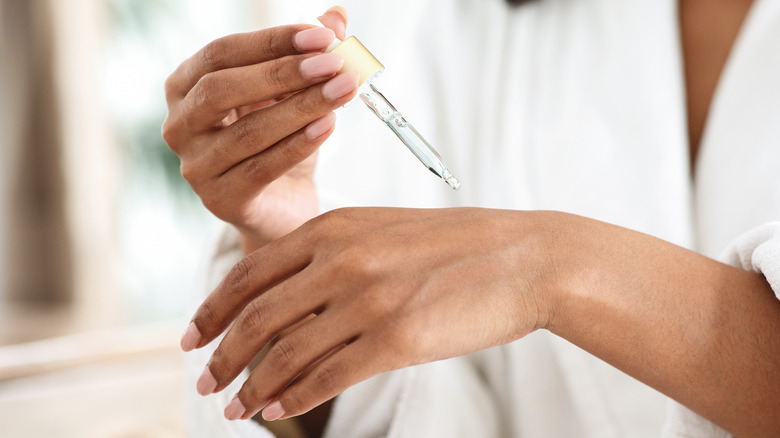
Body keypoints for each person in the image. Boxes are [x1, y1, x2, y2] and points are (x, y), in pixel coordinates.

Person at [162, 1, 780, 437]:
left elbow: (515, 265)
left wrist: (549, 265)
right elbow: (433, 406)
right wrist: (294, 256)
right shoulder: (471, 21)